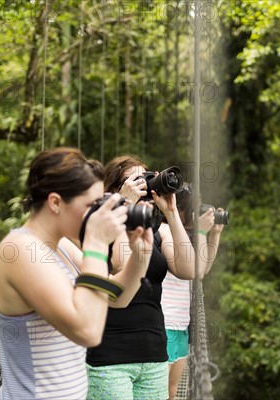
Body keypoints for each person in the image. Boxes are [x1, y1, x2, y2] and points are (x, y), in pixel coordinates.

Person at [0, 147, 154, 400]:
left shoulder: (62, 247)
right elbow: (87, 331)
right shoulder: (20, 249)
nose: (97, 214)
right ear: (55, 202)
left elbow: (116, 297)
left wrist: (140, 256)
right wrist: (97, 244)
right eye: (91, 205)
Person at [86, 155, 211, 400]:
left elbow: (190, 270)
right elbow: (120, 263)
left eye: (147, 177)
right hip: (111, 356)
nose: (145, 185)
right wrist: (123, 204)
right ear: (115, 188)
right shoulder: (99, 228)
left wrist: (171, 212)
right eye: (136, 179)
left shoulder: (157, 230)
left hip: (154, 354)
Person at [162, 183, 225, 400]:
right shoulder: (166, 233)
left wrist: (213, 234)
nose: (195, 213)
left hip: (180, 324)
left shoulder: (185, 237)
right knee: (158, 393)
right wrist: (199, 231)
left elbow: (203, 270)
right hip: (165, 323)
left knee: (171, 392)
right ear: (177, 209)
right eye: (192, 208)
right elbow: (196, 272)